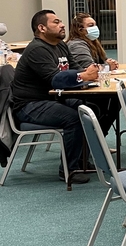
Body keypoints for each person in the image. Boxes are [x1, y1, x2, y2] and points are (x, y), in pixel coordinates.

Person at [11, 10, 99, 184]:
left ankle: (82, 161)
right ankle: (69, 170)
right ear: (42, 28)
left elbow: (74, 67)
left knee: (91, 109)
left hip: (51, 98)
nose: (62, 25)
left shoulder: (60, 45)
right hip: (29, 105)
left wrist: (91, 71)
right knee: (73, 118)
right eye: (56, 22)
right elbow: (55, 79)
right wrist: (83, 77)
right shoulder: (37, 49)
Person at [66, 12, 120, 136]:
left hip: (89, 85)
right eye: (91, 25)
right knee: (114, 99)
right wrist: (107, 66)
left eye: (95, 24)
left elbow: (100, 63)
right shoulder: (77, 45)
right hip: (80, 90)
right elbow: (89, 69)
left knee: (117, 99)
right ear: (80, 30)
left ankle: (99, 137)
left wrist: (107, 63)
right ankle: (97, 138)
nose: (95, 28)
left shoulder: (91, 42)